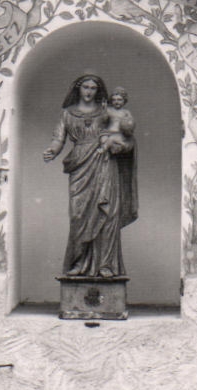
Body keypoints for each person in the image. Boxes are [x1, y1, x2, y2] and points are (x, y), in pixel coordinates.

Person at [41, 73, 138, 277]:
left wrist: (116, 145)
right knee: (79, 216)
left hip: (105, 163)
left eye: (93, 88)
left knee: (107, 213)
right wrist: (52, 150)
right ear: (78, 88)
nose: (89, 91)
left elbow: (124, 134)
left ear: (98, 90)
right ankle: (79, 263)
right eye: (85, 87)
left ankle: (106, 265)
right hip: (80, 165)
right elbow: (58, 138)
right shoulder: (67, 114)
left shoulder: (107, 111)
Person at [97, 87, 136, 158]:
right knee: (103, 140)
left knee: (111, 139)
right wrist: (104, 109)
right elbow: (103, 120)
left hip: (119, 134)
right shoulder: (109, 110)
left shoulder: (126, 112)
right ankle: (105, 156)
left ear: (124, 100)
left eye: (119, 100)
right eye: (114, 100)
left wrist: (128, 127)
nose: (116, 102)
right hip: (107, 132)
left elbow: (131, 123)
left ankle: (104, 149)